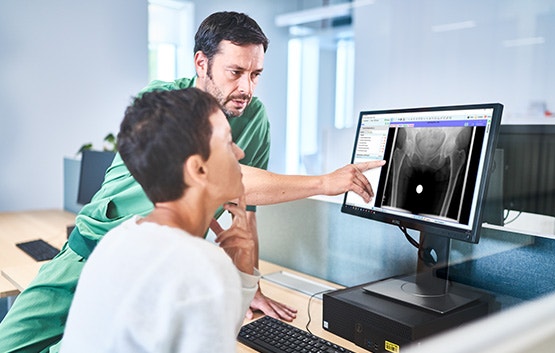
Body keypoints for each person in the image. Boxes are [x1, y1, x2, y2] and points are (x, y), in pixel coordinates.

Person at [0, 11, 385, 353]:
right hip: (88, 252)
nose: (247, 89)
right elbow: (237, 181)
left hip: (155, 271)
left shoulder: (254, 119)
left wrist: (249, 285)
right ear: (202, 63)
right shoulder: (164, 104)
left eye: (256, 75)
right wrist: (324, 182)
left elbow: (243, 208)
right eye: (236, 72)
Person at [59, 87, 258, 352]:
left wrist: (242, 274)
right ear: (198, 169)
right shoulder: (199, 266)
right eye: (228, 142)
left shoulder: (118, 238)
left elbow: (205, 332)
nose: (240, 153)